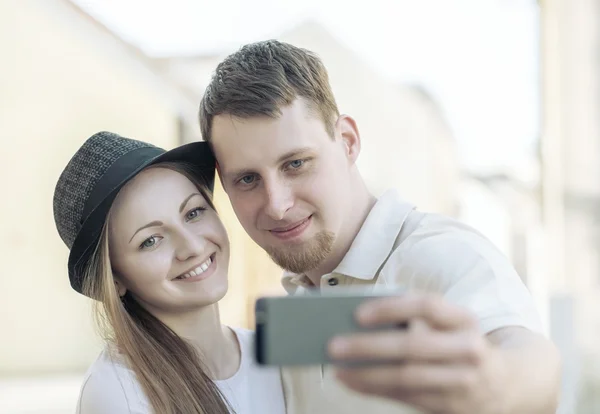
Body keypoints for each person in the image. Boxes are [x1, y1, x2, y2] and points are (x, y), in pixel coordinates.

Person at [197, 40, 561, 414]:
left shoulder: (442, 255)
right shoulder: (295, 310)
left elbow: (530, 363)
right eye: (247, 180)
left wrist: (497, 382)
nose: (277, 204)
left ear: (348, 142)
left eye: (296, 164)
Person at [52, 131, 286, 414]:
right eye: (150, 240)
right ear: (115, 280)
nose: (192, 246)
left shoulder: (275, 358)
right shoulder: (119, 393)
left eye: (193, 213)